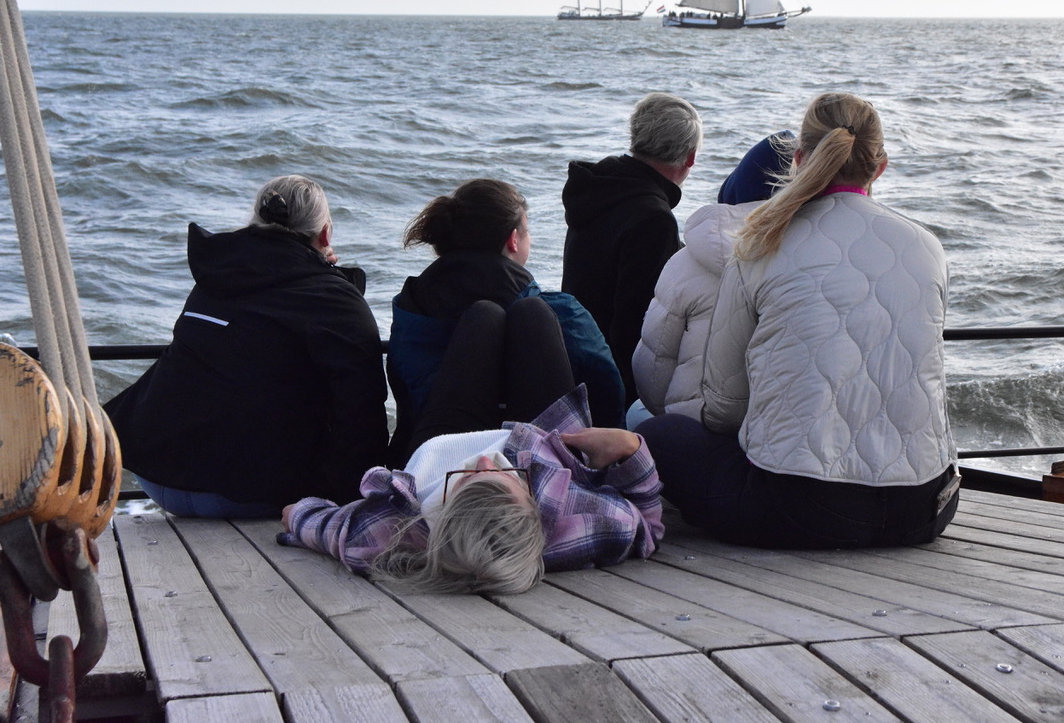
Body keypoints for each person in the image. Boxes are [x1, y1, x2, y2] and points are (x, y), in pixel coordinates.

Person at [637, 93, 959, 549]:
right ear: (880, 167)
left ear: (801, 160)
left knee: (658, 433)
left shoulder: (759, 244)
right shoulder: (928, 248)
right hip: (926, 506)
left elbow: (725, 407)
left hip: (802, 510)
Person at [280, 301, 662, 594]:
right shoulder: (574, 523)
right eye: (505, 476)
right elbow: (649, 527)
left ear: (442, 515)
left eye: (464, 479)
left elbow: (305, 518)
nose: (483, 459)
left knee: (483, 316)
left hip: (440, 445)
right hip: (544, 444)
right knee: (532, 313)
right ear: (535, 512)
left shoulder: (391, 534)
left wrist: (301, 514)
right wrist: (631, 450)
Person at [105, 175, 389, 518]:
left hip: (153, 472)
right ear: (325, 234)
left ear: (255, 221)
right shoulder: (333, 299)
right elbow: (361, 411)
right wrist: (356, 500)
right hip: (242, 494)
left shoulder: (216, 274)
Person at [387, 178, 623, 461]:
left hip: (436, 456)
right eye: (527, 231)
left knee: (488, 316)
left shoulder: (410, 310)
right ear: (513, 240)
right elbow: (607, 391)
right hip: (535, 461)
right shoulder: (560, 312)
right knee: (529, 313)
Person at [631, 132, 792, 425]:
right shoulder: (821, 260)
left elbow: (651, 370)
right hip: (780, 430)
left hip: (696, 422)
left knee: (636, 414)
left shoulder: (686, 262)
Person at [562, 93, 702, 406]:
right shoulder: (653, 218)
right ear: (690, 158)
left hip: (573, 355)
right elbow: (636, 324)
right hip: (610, 381)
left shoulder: (597, 188)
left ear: (636, 138)